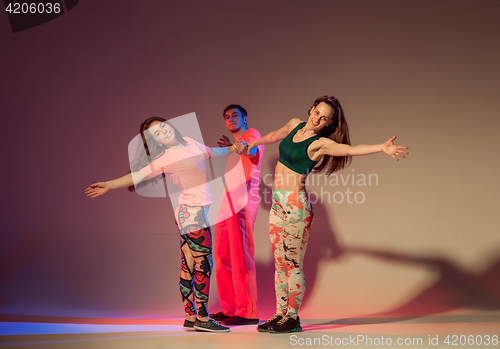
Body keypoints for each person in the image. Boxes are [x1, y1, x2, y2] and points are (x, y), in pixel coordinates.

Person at [241, 96, 409, 334]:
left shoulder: (320, 143)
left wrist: (381, 147)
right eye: (317, 112)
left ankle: (292, 317)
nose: (317, 119)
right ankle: (279, 315)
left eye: (324, 118)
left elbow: (351, 149)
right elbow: (273, 135)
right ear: (311, 108)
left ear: (329, 124)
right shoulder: (294, 125)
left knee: (292, 264)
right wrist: (253, 143)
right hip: (278, 202)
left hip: (296, 206)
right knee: (280, 265)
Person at [85, 116, 243, 333]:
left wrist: (233, 149)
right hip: (192, 214)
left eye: (162, 127)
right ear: (156, 142)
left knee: (189, 265)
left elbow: (211, 152)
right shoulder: (166, 157)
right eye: (156, 134)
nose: (163, 132)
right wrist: (109, 185)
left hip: (191, 212)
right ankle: (203, 318)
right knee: (203, 265)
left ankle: (190, 317)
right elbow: (138, 175)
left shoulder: (189, 142)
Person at [210, 105, 264, 325]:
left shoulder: (252, 135)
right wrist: (233, 149)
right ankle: (230, 307)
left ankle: (247, 311)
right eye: (227, 117)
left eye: (235, 116)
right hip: (226, 203)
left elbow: (252, 152)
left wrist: (239, 148)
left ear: (245, 118)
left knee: (240, 256)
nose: (230, 119)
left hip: (242, 204)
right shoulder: (234, 147)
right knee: (222, 256)